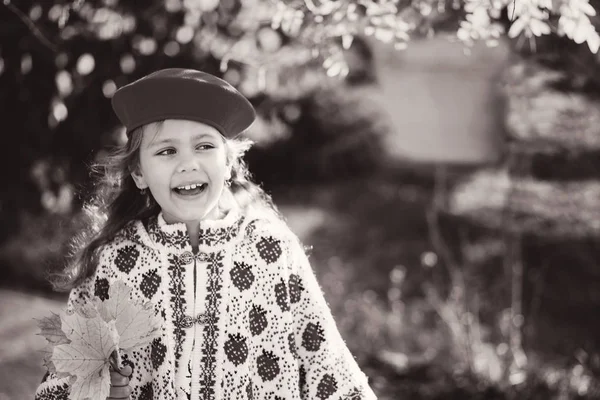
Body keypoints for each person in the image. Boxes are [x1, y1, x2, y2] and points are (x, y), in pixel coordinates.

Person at [34, 68, 377, 400]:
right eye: (167, 151)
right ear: (139, 172)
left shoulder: (273, 251)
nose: (188, 164)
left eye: (204, 146)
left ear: (228, 162)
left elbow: (330, 370)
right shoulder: (117, 261)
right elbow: (62, 383)